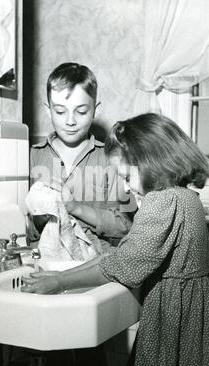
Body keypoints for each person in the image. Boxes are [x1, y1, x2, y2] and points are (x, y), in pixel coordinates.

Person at [22, 113, 209, 366]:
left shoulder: (162, 202)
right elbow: (125, 253)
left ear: (152, 163)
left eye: (126, 176)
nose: (124, 186)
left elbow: (124, 265)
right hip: (194, 310)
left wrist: (61, 282)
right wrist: (62, 274)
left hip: (174, 314)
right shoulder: (186, 196)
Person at [28, 62, 134, 252]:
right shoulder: (33, 156)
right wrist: (42, 217)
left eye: (81, 111)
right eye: (60, 111)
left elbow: (126, 226)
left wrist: (75, 208)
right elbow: (24, 230)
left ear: (96, 110)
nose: (70, 121)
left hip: (93, 265)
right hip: (45, 260)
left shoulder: (111, 159)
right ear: (48, 110)